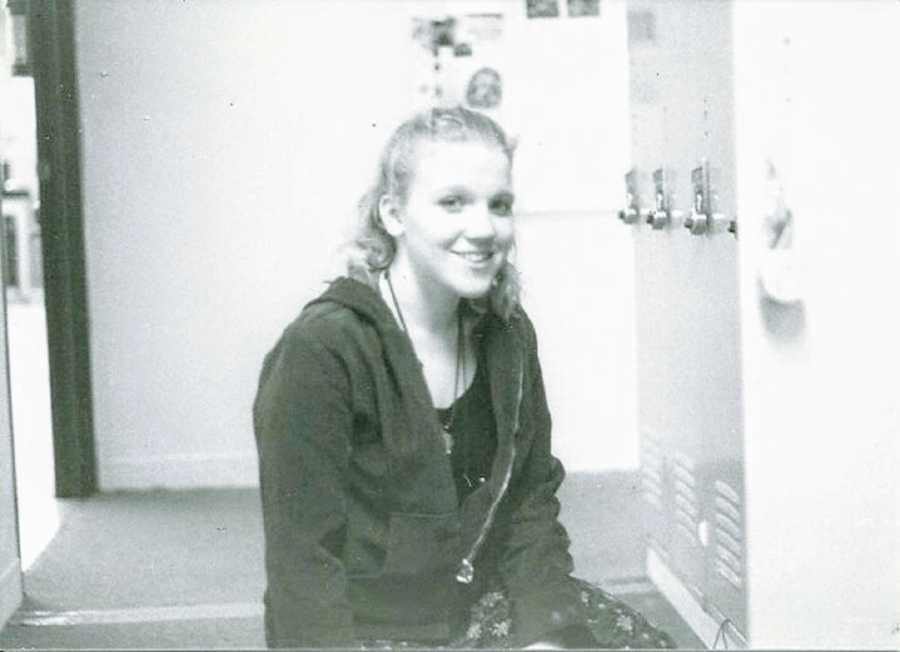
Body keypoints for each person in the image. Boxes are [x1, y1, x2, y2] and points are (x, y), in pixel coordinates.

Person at [253, 106, 675, 649]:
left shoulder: (508, 335)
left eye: (498, 205)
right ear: (393, 214)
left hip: (473, 608)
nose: (483, 229)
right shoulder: (324, 348)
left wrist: (544, 634)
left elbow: (529, 505)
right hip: (366, 633)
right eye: (452, 202)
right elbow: (302, 562)